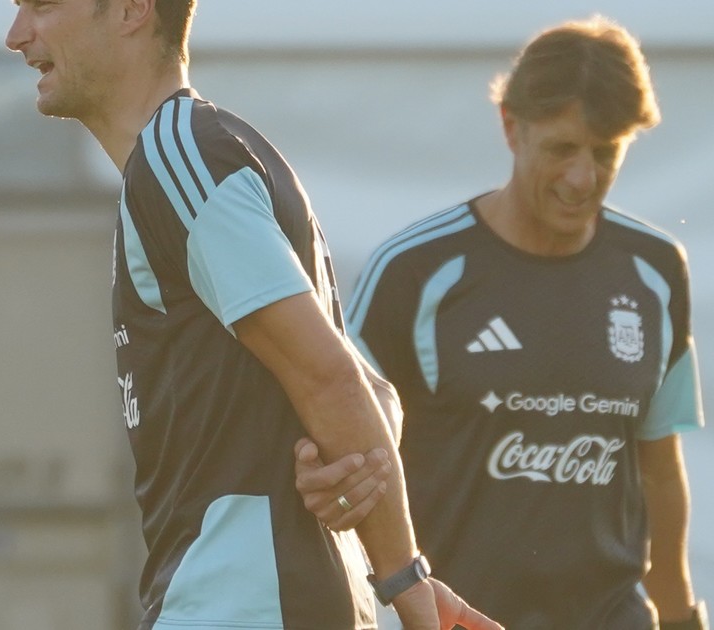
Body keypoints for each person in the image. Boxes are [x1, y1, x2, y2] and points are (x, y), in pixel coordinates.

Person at [5, 1, 501, 629]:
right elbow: (371, 393)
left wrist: (408, 585)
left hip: (244, 604)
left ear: (132, 9)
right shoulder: (208, 151)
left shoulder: (178, 156)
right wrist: (340, 466)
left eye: (43, 5)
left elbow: (332, 379)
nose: (15, 35)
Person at [295, 15, 707, 630]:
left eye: (605, 152)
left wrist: (678, 617)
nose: (583, 178)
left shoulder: (655, 270)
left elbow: (658, 466)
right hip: (464, 619)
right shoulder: (416, 272)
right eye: (562, 149)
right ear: (512, 126)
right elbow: (339, 430)